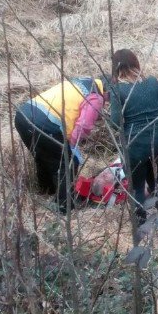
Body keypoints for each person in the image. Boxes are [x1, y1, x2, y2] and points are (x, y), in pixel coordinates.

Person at [14, 76, 106, 214]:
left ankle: (46, 192)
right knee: (67, 163)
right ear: (106, 90)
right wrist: (72, 147)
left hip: (23, 115)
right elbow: (84, 126)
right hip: (43, 123)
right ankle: (64, 207)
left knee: (44, 157)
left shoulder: (80, 82)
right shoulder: (96, 97)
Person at [108, 49, 158, 225]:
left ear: (115, 68)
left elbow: (116, 122)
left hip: (135, 142)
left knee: (137, 186)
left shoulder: (118, 90)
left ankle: (140, 222)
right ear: (136, 63)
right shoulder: (154, 82)